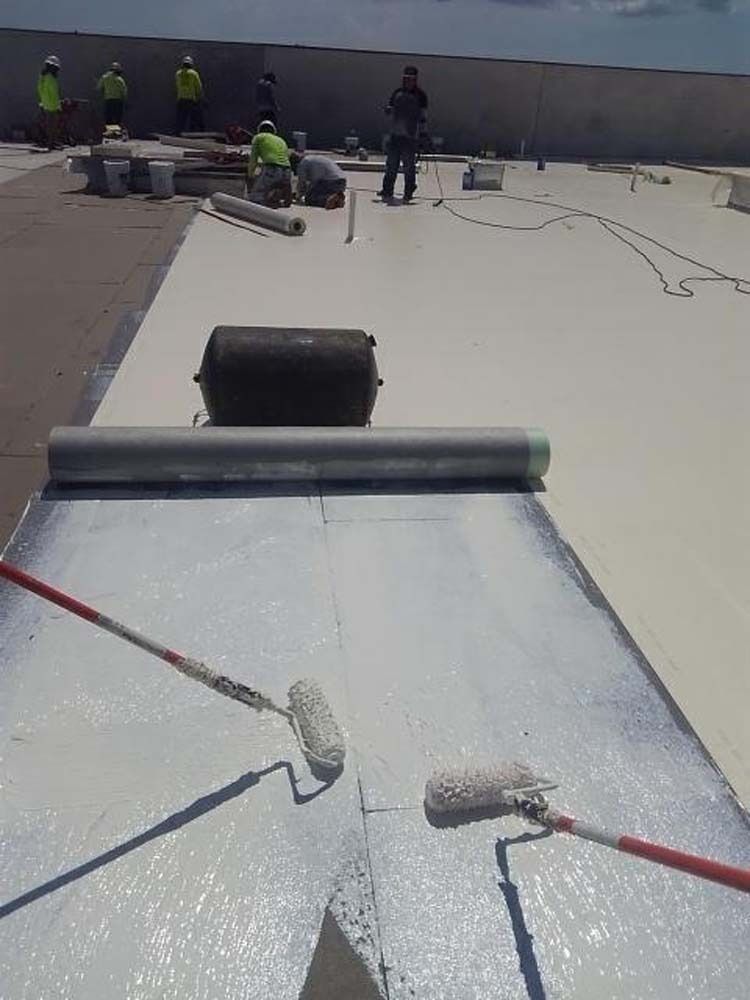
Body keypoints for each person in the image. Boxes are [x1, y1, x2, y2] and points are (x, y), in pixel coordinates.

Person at [380, 65, 428, 204]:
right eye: (405, 78)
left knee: (409, 166)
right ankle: (387, 190)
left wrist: (423, 134)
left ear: (415, 80)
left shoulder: (420, 96)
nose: (407, 81)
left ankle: (408, 191)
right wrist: (388, 110)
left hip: (410, 136)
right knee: (391, 164)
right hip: (395, 134)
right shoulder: (397, 92)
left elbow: (423, 116)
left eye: (410, 79)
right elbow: (391, 108)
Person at [246, 120, 292, 207]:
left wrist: (250, 175)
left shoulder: (258, 137)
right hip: (287, 171)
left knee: (256, 196)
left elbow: (253, 159)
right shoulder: (281, 140)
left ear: (260, 130)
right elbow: (285, 156)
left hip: (272, 169)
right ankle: (277, 198)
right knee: (277, 186)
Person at [37, 55, 62, 151]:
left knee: (49, 125)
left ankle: (51, 143)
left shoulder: (42, 77)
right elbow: (54, 93)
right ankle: (51, 144)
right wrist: (58, 105)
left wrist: (43, 101)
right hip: (52, 105)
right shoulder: (51, 78)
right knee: (53, 126)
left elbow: (40, 89)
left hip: (46, 104)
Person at [175, 55, 204, 134]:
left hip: (181, 99)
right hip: (191, 100)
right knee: (193, 119)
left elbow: (177, 86)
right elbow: (199, 87)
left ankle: (178, 134)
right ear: (191, 64)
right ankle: (192, 134)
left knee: (180, 119)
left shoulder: (178, 74)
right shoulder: (194, 73)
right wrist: (201, 97)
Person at [97, 61, 127, 126]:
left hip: (108, 99)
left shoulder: (104, 77)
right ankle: (117, 126)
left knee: (109, 115)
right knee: (118, 115)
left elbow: (99, 87)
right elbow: (124, 90)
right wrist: (124, 98)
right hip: (118, 100)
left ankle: (109, 127)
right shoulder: (119, 79)